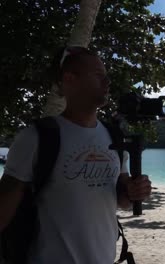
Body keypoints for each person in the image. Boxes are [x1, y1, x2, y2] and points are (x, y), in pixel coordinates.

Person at [0, 46, 152, 263]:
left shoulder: (114, 136)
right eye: (99, 75)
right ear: (70, 79)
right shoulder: (37, 137)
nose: (107, 82)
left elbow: (122, 200)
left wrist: (134, 191)